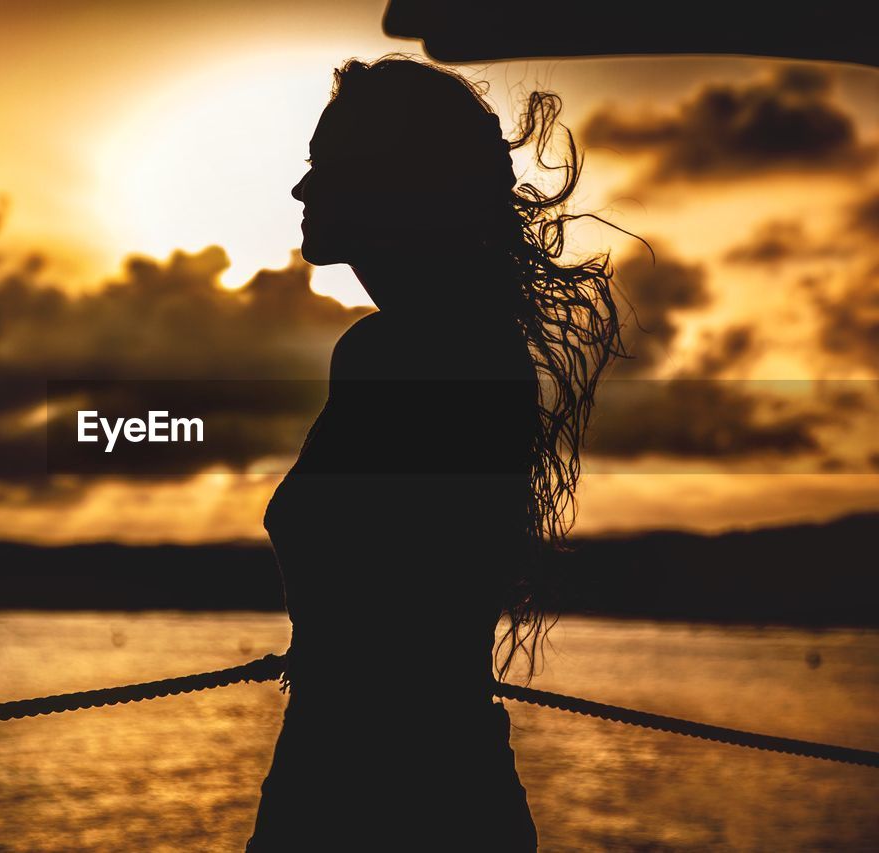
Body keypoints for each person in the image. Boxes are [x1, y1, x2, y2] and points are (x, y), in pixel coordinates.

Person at [244, 55, 628, 851]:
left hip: (371, 785)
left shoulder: (403, 353)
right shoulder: (460, 345)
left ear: (393, 187)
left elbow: (392, 601)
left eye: (325, 169)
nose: (301, 192)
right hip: (417, 772)